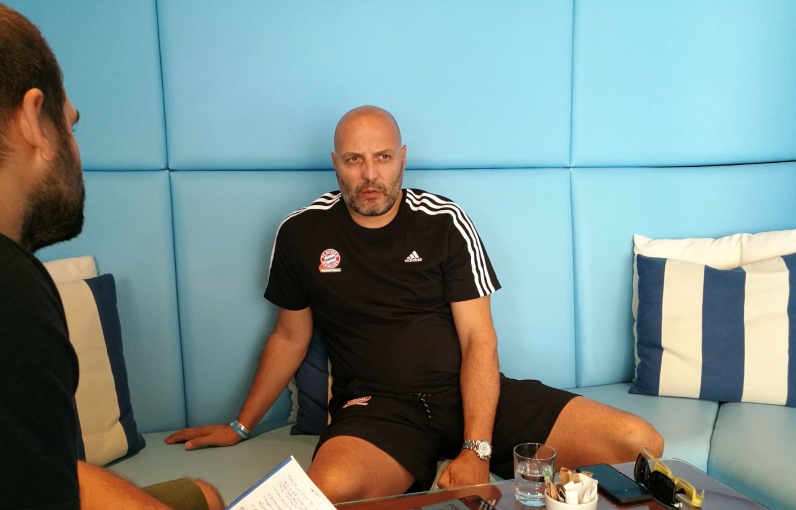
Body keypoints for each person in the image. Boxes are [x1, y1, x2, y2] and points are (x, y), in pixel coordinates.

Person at [165, 105, 664, 503]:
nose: (370, 175)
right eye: (353, 160)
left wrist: (476, 449)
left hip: (467, 393)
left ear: (403, 157)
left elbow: (479, 339)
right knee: (327, 492)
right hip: (377, 411)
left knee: (638, 444)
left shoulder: (444, 221)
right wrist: (240, 425)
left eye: (382, 157)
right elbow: (289, 337)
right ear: (335, 162)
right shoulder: (300, 232)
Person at [0, 5, 223, 509]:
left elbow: (36, 463)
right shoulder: (13, 291)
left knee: (202, 496)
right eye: (71, 127)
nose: (76, 153)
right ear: (34, 118)